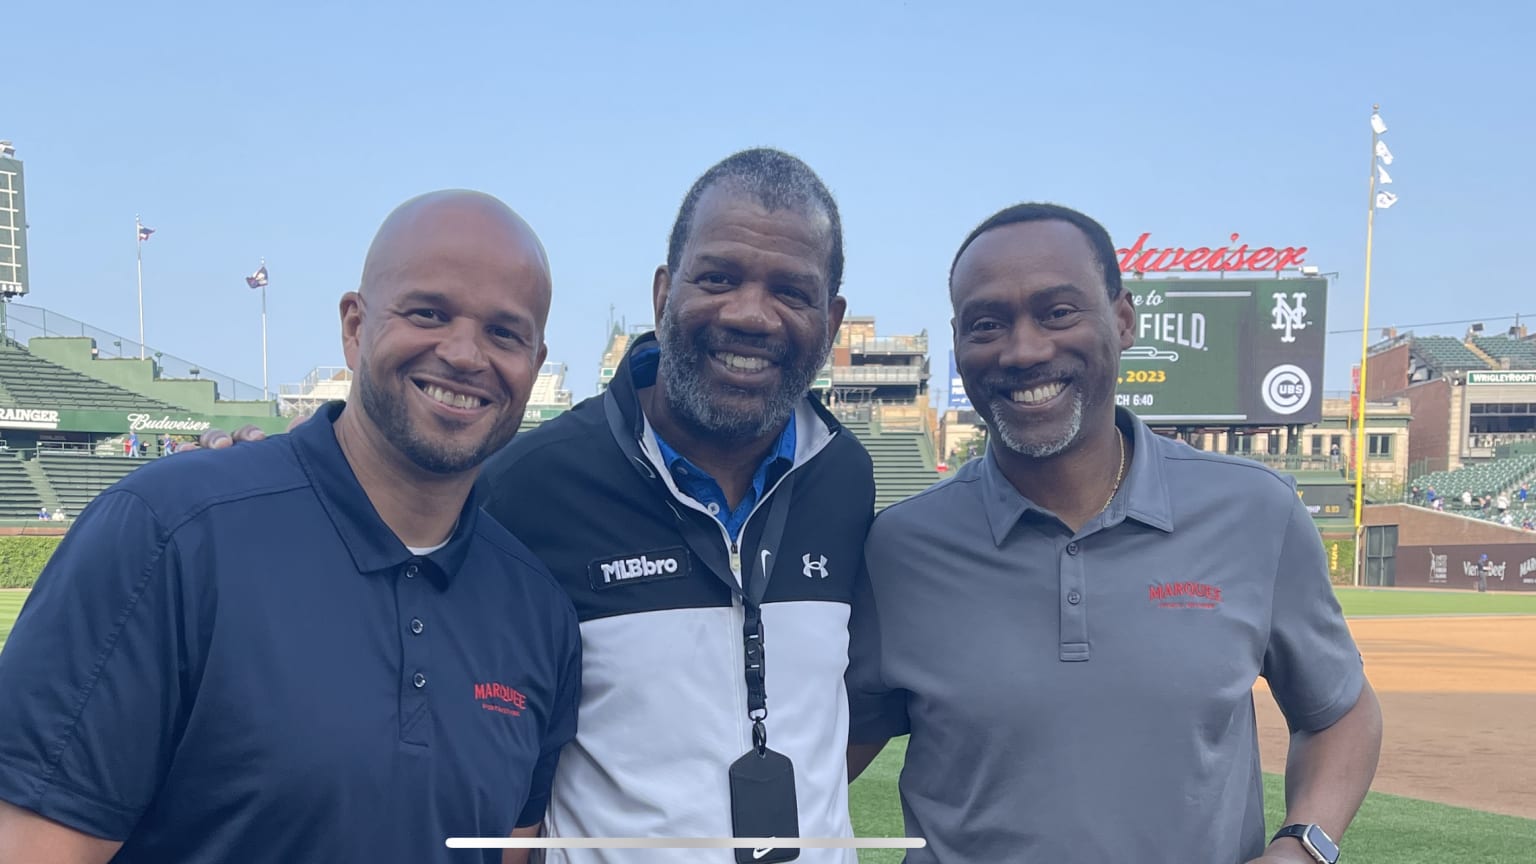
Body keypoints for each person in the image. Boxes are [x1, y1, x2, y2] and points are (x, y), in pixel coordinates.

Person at [178, 149, 878, 863]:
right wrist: (259, 486)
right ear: (664, 291)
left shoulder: (846, 476)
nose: (750, 314)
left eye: (791, 291)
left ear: (831, 318)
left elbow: (846, 724)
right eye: (718, 278)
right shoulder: (531, 483)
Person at [0, 190, 581, 864]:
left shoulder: (538, 613)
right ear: (356, 327)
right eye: (429, 312)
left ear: (534, 365)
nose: (464, 353)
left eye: (504, 333)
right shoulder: (169, 535)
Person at [847, 203, 1383, 863]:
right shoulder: (898, 548)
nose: (1024, 349)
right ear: (958, 342)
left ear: (1123, 319)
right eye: (987, 323)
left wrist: (1303, 848)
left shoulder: (1254, 511)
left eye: (1058, 312)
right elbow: (824, 752)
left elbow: (1340, 712)